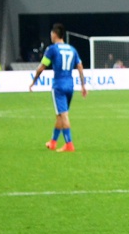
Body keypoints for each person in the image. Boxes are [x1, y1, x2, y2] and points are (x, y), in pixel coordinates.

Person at [29, 23, 87, 152]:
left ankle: (69, 144)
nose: (51, 36)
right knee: (60, 115)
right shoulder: (72, 49)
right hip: (70, 85)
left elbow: (42, 67)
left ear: (55, 34)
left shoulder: (52, 49)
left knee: (64, 115)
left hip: (59, 85)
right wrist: (83, 85)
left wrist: (33, 82)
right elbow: (80, 66)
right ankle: (53, 142)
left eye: (51, 34)